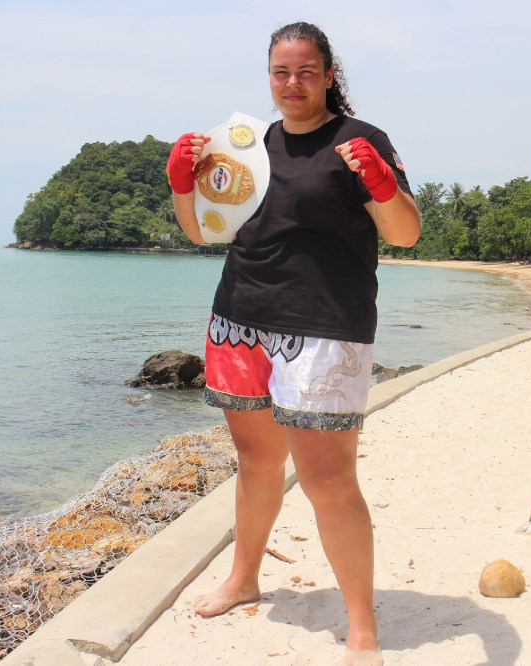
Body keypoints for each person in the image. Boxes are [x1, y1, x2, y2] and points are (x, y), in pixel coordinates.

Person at [166, 21, 420, 665]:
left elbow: (406, 233)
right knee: (254, 464)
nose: (293, 83)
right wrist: (181, 184)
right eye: (281, 72)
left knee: (328, 480)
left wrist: (383, 184)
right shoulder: (247, 145)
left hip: (326, 328)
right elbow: (203, 234)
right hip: (240, 321)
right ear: (268, 76)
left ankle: (361, 625)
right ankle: (243, 578)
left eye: (306, 71)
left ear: (329, 74)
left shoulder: (359, 140)